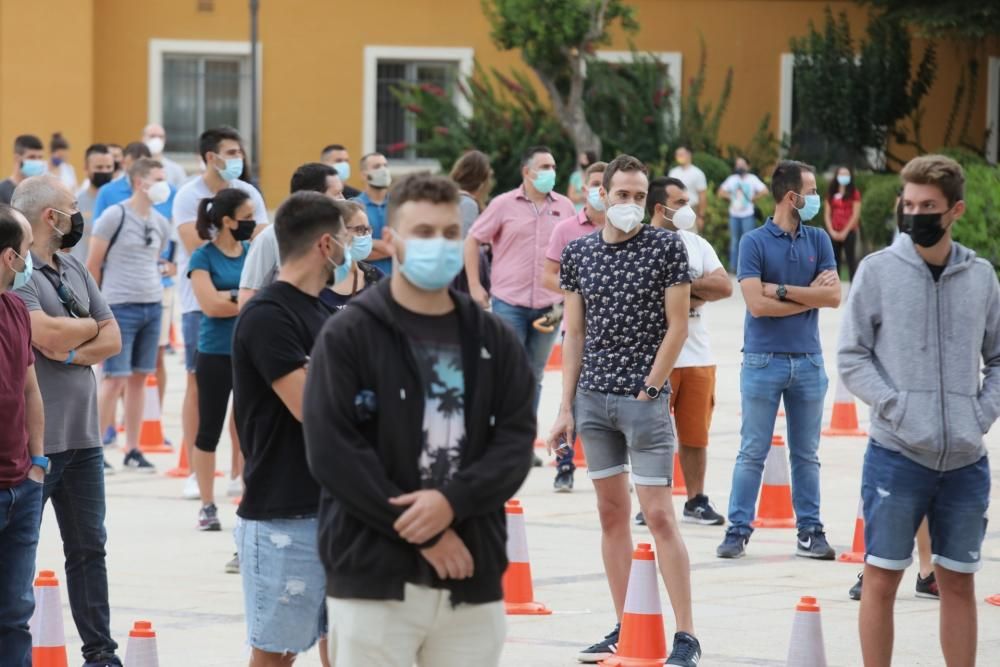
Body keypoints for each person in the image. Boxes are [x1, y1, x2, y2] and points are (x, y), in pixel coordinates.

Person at [303, 174, 536, 667]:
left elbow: (515, 442)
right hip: (373, 576)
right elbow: (332, 450)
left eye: (450, 233)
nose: (439, 244)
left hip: (470, 575)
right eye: (423, 232)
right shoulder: (349, 334)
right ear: (394, 241)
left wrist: (453, 503)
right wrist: (423, 529)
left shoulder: (493, 338)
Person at [838, 154, 998, 667]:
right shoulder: (878, 271)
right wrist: (895, 406)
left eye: (928, 205)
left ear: (955, 210)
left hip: (965, 462)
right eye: (908, 204)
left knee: (957, 582)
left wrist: (980, 416)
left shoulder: (981, 276)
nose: (915, 214)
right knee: (881, 580)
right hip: (896, 455)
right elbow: (851, 355)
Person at [547, 154, 701, 667]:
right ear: (602, 195)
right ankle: (626, 625)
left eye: (639, 197)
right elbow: (576, 334)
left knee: (659, 516)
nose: (630, 204)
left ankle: (686, 635)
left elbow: (677, 325)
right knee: (611, 515)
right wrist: (564, 407)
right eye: (622, 195)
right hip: (592, 400)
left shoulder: (665, 247)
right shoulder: (579, 253)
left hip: (644, 401)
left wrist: (652, 387)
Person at [11, 175, 124, 667]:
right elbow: (46, 335)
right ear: (48, 217)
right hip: (37, 444)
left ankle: (100, 653)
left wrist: (71, 347)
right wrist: (84, 334)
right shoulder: (17, 273)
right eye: (72, 207)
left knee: (89, 550)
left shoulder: (75, 266)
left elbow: (113, 337)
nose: (79, 214)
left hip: (84, 438)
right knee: (18, 558)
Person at [232, 191, 347, 667]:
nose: (351, 246)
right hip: (284, 513)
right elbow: (310, 407)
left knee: (345, 648)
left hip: (339, 508)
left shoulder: (325, 312)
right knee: (276, 656)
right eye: (346, 236)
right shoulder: (268, 315)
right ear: (325, 244)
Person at [716, 160, 842, 560]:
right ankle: (738, 530)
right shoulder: (753, 242)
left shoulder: (819, 239)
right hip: (762, 360)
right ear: (792, 197)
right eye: (811, 191)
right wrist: (807, 295)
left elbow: (834, 297)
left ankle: (810, 531)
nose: (815, 198)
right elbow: (756, 305)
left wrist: (783, 290)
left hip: (808, 360)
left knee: (806, 454)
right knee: (752, 449)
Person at [172, 127, 268, 503]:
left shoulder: (250, 193)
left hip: (242, 311)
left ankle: (237, 471)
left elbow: (261, 242)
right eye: (230, 151)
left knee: (243, 394)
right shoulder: (187, 195)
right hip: (198, 308)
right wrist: (235, 293)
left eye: (239, 150)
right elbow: (197, 242)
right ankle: (199, 472)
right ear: (210, 156)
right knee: (201, 388)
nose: (237, 157)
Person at [643, 176, 732, 525]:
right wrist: (692, 292)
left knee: (695, 436)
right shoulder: (640, 245)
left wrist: (678, 288)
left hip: (698, 356)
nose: (687, 209)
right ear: (659, 208)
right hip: (656, 357)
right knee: (651, 436)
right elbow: (644, 295)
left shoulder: (697, 244)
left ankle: (695, 499)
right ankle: (649, 501)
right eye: (680, 203)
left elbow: (724, 286)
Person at [465, 145, 576, 415]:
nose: (551, 172)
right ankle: (503, 438)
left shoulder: (565, 206)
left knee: (534, 374)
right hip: (508, 303)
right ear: (527, 171)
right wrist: (475, 285)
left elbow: (575, 253)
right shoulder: (503, 204)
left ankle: (523, 440)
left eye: (553, 167)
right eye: (545, 167)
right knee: (508, 371)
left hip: (549, 306)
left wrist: (568, 298)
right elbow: (473, 239)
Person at [86, 158, 173, 472]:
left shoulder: (161, 222)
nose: (165, 184)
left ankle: (133, 448)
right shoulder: (115, 215)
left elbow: (159, 257)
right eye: (158, 178)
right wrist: (95, 310)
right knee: (113, 379)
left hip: (152, 304)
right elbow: (94, 264)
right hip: (120, 305)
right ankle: (92, 448)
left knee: (139, 378)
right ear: (140, 182)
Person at [188, 188, 254, 532]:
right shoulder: (203, 257)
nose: (252, 223)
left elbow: (265, 296)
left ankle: (249, 495)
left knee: (248, 427)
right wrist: (243, 299)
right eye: (246, 217)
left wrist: (231, 297)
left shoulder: (253, 252)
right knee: (209, 429)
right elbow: (210, 305)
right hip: (214, 352)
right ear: (228, 221)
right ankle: (207, 504)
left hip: (249, 351)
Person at [541, 159, 607, 492]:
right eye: (592, 183)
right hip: (577, 327)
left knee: (612, 397)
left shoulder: (622, 228)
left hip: (614, 330)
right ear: (583, 188)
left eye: (603, 184)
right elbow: (549, 275)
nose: (597, 190)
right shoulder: (566, 230)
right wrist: (579, 290)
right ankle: (564, 465)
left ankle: (612, 467)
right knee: (572, 396)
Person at [238, 162, 343, 306]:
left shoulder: (338, 235)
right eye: (337, 194)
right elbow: (248, 296)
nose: (343, 200)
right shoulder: (270, 237)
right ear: (315, 197)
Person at [321, 200, 384, 312]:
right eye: (359, 230)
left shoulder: (375, 277)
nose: (366, 236)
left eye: (368, 229)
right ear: (337, 232)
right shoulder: (313, 282)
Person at [448, 150, 493, 294]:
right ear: (482, 181)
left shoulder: (451, 198)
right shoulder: (468, 204)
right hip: (461, 283)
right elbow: (463, 245)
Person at [717, 157, 767, 270]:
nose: (740, 167)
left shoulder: (752, 179)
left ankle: (746, 268)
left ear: (748, 166)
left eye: (742, 164)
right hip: (734, 215)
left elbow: (765, 191)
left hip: (748, 215)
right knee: (734, 242)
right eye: (737, 164)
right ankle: (733, 268)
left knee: (747, 242)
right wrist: (730, 197)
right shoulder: (732, 179)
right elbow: (720, 192)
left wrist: (754, 197)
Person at [71, 144, 116, 265]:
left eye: (108, 167)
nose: (104, 171)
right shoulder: (74, 202)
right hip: (82, 273)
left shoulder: (120, 203)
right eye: (99, 167)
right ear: (86, 168)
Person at [354, 152, 394, 274]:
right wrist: (392, 248)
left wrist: (373, 244)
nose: (383, 170)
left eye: (385, 165)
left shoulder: (400, 205)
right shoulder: (355, 207)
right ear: (364, 175)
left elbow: (410, 246)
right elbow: (355, 250)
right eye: (377, 167)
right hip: (368, 283)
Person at [824, 165, 862, 281]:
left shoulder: (854, 193)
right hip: (833, 231)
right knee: (834, 262)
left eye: (846, 174)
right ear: (836, 176)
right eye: (841, 174)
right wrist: (831, 231)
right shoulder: (831, 193)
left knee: (851, 261)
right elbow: (827, 214)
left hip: (849, 232)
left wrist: (845, 232)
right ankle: (835, 288)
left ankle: (853, 289)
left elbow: (855, 215)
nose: (844, 177)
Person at [668, 146, 708, 232]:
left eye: (681, 154)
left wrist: (701, 216)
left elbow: (702, 196)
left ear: (689, 155)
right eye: (677, 155)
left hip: (690, 210)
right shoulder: (673, 172)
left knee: (690, 240)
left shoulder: (697, 173)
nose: (678, 156)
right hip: (674, 211)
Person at [0, 134, 46, 205]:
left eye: (40, 157)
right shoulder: (2, 191)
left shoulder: (42, 192)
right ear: (17, 158)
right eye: (32, 157)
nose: (37, 161)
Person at [142, 123, 188, 187]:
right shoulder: (135, 168)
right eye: (152, 136)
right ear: (143, 138)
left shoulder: (176, 170)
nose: (157, 140)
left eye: (161, 137)